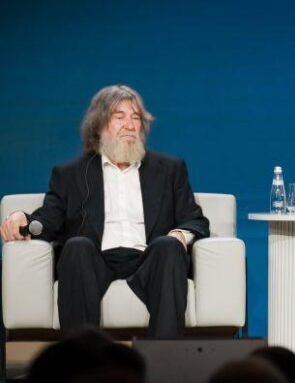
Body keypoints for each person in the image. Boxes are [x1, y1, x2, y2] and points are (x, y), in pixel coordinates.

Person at [0, 85, 210, 337]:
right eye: (119, 117)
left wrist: (179, 235)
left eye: (135, 118)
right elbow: (48, 219)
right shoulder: (71, 174)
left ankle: (165, 357)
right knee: (76, 246)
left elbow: (195, 220)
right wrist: (22, 219)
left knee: (169, 245)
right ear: (98, 125)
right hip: (95, 261)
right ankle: (82, 356)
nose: (130, 125)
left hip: (150, 260)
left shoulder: (169, 169)